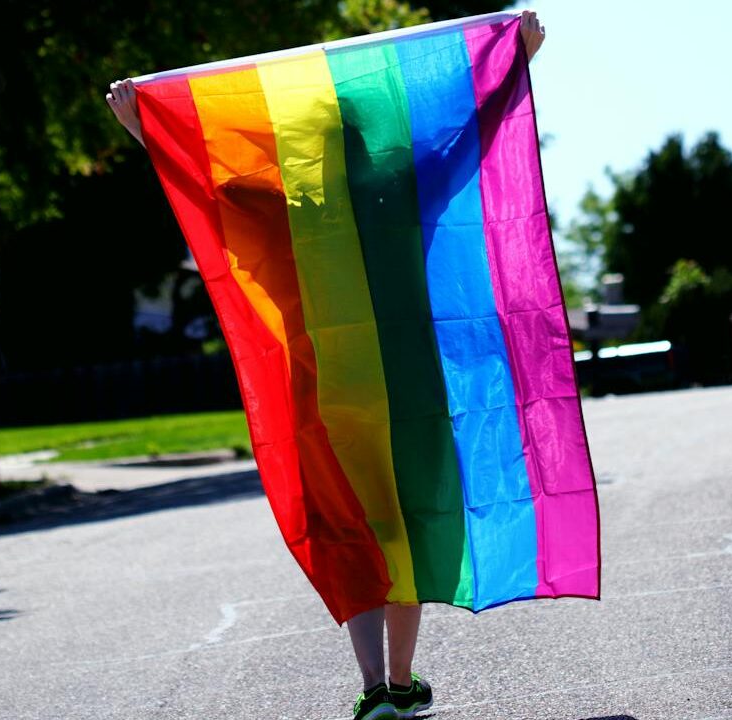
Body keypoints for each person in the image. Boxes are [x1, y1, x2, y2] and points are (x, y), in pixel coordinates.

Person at [106, 10, 545, 719]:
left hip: (321, 397)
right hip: (408, 391)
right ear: (374, 137)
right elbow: (470, 137)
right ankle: (400, 683)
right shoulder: (406, 178)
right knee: (406, 525)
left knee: (352, 530)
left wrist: (143, 127)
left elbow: (207, 189)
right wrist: (513, 61)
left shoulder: (289, 202)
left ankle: (376, 685)